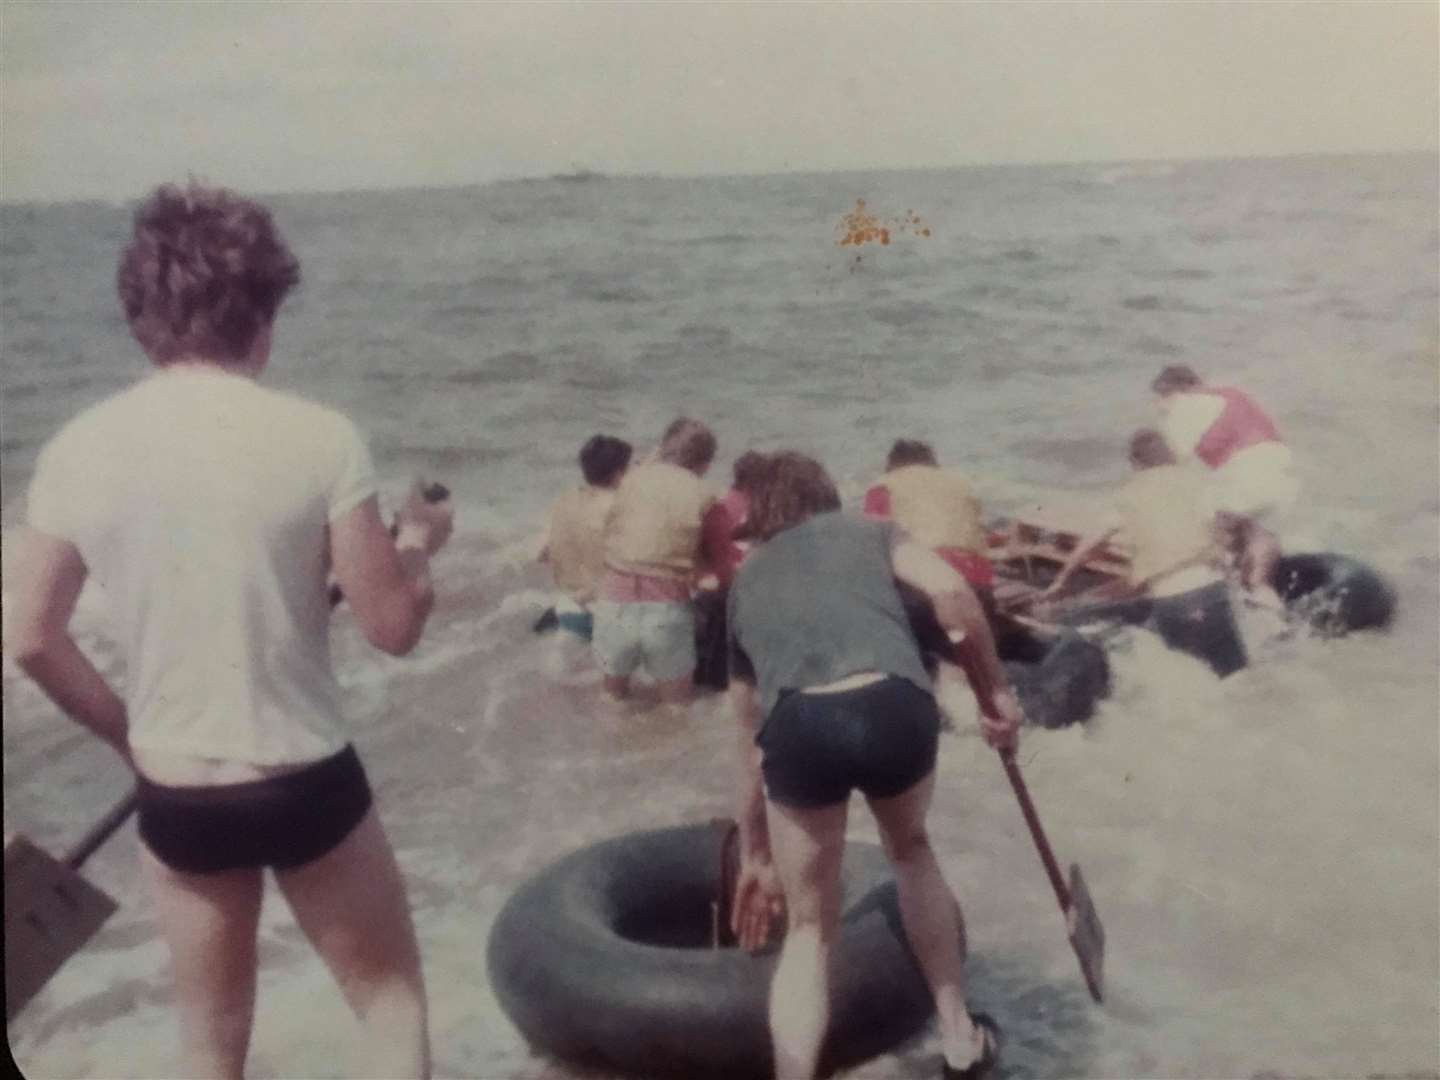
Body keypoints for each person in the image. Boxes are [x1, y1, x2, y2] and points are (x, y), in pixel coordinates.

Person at [7, 182, 451, 1080]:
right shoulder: (321, 438)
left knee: (210, 1046)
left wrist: (131, 737)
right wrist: (420, 551)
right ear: (263, 314)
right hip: (305, 779)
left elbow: (29, 637)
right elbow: (392, 626)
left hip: (179, 792)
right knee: (391, 1007)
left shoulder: (78, 450)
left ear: (141, 316)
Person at [725, 451, 1022, 1080]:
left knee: (808, 930)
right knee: (911, 851)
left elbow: (749, 734)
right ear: (824, 495)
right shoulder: (873, 531)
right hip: (893, 704)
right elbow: (953, 594)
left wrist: (754, 851)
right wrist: (996, 698)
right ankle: (959, 1040)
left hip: (801, 724)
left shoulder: (745, 582)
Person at [1043, 429, 1247, 678]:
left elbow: (1090, 543)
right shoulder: (1194, 480)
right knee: (1237, 676)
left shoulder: (1127, 495)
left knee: (1191, 679)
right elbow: (1229, 522)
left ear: (1136, 463)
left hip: (1169, 600)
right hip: (1210, 591)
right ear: (1169, 456)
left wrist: (1060, 580)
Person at [1151, 364, 1297, 608]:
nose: (1159, 408)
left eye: (1159, 401)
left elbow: (1171, 468)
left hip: (1246, 471)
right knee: (1258, 531)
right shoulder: (1231, 392)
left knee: (1210, 525)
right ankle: (1263, 592)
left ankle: (1219, 597)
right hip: (1282, 470)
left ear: (1172, 393)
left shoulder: (1183, 406)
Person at [594, 416, 716, 703]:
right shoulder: (704, 493)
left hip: (614, 606)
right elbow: (707, 563)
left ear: (662, 450)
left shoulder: (630, 479)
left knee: (611, 700)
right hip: (665, 609)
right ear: (705, 463)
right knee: (677, 707)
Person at [863, 439, 994, 597]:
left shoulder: (883, 485)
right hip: (977, 582)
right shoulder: (960, 481)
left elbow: (872, 544)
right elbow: (978, 531)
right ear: (932, 463)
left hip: (920, 584)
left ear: (891, 465)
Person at [537, 434, 633, 641]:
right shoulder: (620, 508)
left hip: (563, 611)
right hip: (604, 617)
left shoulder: (564, 503)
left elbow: (542, 554)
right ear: (619, 474)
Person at [692, 450, 769, 690]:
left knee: (709, 674)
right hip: (750, 594)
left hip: (714, 591)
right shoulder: (764, 508)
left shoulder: (719, 504)